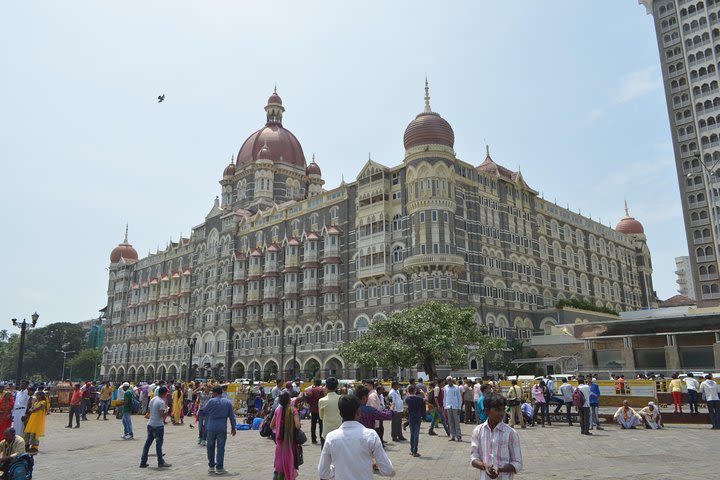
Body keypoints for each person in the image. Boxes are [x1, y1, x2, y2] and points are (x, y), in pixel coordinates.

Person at [318, 394, 394, 480]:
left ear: (340, 414)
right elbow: (388, 470)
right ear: (358, 412)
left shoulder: (331, 437)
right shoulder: (370, 435)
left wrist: (337, 468)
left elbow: (323, 473)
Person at [470, 393, 523, 479]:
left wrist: (500, 469)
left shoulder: (511, 433)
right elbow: (473, 458)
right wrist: (484, 465)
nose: (501, 413)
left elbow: (518, 463)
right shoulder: (478, 431)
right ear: (486, 411)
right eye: (497, 410)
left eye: (503, 409)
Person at [204, 385, 236, 475]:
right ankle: (219, 467)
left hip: (211, 427)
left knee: (210, 447)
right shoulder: (227, 402)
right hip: (222, 427)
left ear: (215, 393)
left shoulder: (211, 401)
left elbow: (205, 410)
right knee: (221, 448)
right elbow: (232, 416)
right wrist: (233, 428)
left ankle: (211, 466)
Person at [139, 385, 171, 469]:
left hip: (150, 424)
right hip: (158, 425)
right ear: (164, 394)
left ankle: (143, 462)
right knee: (158, 445)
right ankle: (160, 462)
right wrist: (167, 411)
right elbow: (161, 415)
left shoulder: (153, 399)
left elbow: (149, 411)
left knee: (147, 444)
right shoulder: (161, 402)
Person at [270, 392, 300, 480]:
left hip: (280, 443)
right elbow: (297, 425)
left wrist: (280, 426)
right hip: (290, 443)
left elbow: (271, 426)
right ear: (289, 400)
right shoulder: (293, 410)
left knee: (280, 470)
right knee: (290, 467)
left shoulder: (277, 410)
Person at [318, 377, 341, 448]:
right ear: (337, 386)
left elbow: (321, 417)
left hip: (326, 432)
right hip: (339, 431)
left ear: (326, 386)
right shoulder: (341, 399)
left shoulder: (322, 400)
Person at [404, 385, 425, 458]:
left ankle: (412, 450)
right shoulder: (419, 399)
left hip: (411, 418)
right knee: (416, 434)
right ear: (414, 391)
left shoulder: (407, 399)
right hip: (418, 417)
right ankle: (415, 451)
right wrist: (423, 393)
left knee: (412, 434)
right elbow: (426, 400)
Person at [304, 378, 324, 445]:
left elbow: (308, 399)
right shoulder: (322, 390)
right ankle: (322, 438)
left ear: (314, 383)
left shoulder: (311, 390)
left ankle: (313, 439)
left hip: (313, 409)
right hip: (320, 409)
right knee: (321, 425)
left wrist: (310, 403)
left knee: (313, 425)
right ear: (320, 383)